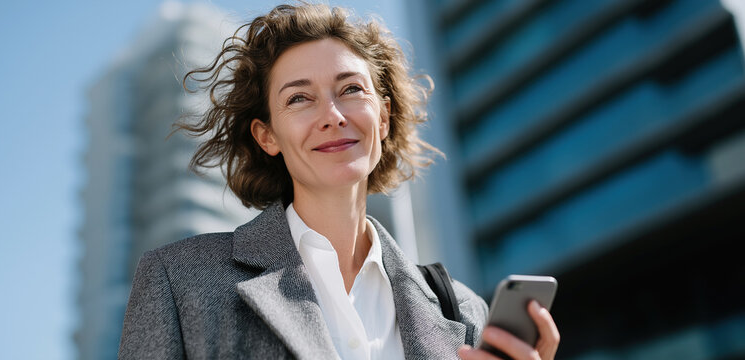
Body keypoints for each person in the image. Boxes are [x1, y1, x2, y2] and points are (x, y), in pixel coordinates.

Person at [118, 3, 559, 360]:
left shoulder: (463, 311)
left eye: (351, 89)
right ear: (267, 135)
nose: (332, 116)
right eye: (299, 98)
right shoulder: (178, 282)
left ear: (383, 117)